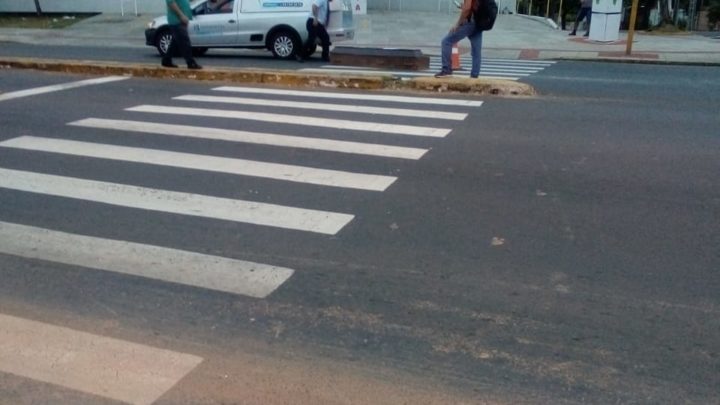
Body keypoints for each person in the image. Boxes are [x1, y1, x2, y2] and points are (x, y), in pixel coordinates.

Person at [434, 0, 482, 78]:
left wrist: (458, 24)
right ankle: (474, 75)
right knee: (476, 51)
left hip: (470, 22)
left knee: (446, 42)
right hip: (479, 23)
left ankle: (446, 70)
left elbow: (467, 9)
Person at [162, 0, 202, 69]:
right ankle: (190, 62)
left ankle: (166, 60)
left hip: (181, 20)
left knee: (175, 42)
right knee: (185, 42)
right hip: (176, 20)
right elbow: (170, 3)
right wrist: (181, 16)